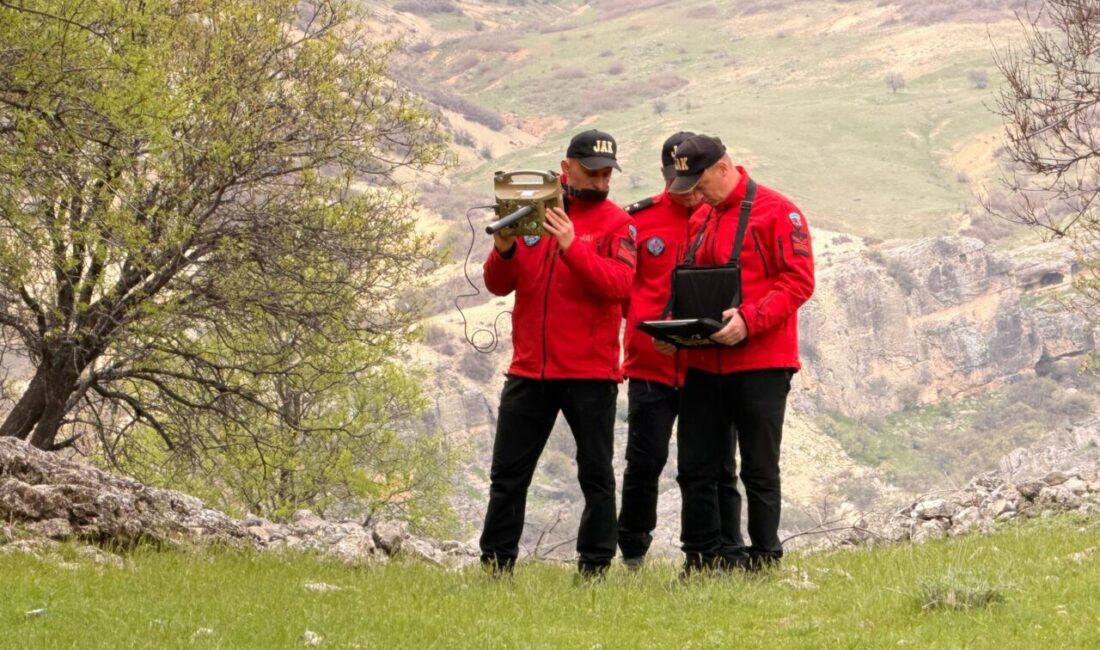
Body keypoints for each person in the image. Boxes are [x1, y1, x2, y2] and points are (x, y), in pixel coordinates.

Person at [479, 129, 636, 578]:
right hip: (529, 370)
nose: (601, 182)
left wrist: (571, 247)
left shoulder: (619, 225)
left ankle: (594, 567)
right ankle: (495, 565)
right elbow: (497, 284)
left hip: (590, 374)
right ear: (566, 169)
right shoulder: (531, 215)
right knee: (508, 475)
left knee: (596, 475)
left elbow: (618, 288)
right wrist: (504, 248)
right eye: (592, 172)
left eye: (608, 173)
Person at [666, 134, 815, 575]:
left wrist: (750, 319)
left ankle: (765, 557)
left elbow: (798, 281)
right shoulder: (701, 217)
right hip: (703, 363)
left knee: (758, 467)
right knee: (697, 466)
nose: (694, 191)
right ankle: (705, 558)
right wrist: (672, 326)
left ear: (724, 167)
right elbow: (691, 284)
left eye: (699, 180)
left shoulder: (777, 211)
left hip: (762, 363)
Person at [618, 132, 744, 569]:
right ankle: (633, 552)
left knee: (716, 465)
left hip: (705, 366)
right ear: (665, 176)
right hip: (650, 365)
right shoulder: (638, 220)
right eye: (679, 183)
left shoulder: (720, 217)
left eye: (694, 184)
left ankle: (721, 552)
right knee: (644, 461)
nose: (689, 195)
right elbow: (621, 289)